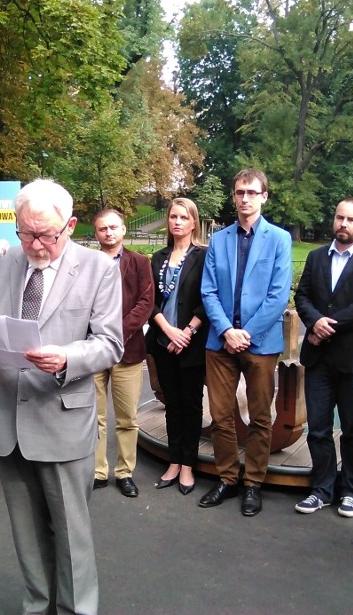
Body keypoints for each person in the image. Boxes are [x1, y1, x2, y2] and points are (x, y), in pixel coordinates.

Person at [0, 179, 123, 615]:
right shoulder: (2, 262)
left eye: (46, 235)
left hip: (61, 418)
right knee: (27, 532)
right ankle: (38, 605)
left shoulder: (98, 268)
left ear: (70, 226)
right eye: (26, 233)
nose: (35, 245)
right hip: (7, 420)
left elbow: (111, 343)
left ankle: (76, 610)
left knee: (71, 533)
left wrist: (68, 358)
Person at [199, 168, 292, 517]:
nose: (245, 199)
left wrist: (246, 333)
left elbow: (278, 295)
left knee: (259, 417)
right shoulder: (219, 240)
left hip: (260, 343)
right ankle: (226, 478)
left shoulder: (279, 239)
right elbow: (207, 290)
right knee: (221, 416)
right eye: (240, 192)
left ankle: (253, 482)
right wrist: (226, 331)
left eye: (252, 192)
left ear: (264, 196)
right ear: (234, 196)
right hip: (219, 342)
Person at [293, 199, 353, 518]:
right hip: (319, 360)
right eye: (340, 217)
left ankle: (352, 490)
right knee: (319, 429)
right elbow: (302, 296)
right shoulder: (315, 257)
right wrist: (313, 321)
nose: (343, 224)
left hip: (352, 360)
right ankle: (322, 489)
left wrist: (328, 324)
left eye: (351, 219)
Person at [145, 198, 208, 495]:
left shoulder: (204, 256)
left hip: (191, 344)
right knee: (172, 404)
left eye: (184, 217)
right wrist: (169, 331)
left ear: (193, 222)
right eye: (173, 216)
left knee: (191, 405)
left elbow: (208, 299)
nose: (177, 222)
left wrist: (186, 332)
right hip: (162, 341)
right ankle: (173, 460)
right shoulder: (157, 258)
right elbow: (150, 302)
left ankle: (188, 465)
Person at [91, 209, 153, 498]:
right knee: (95, 416)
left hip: (128, 349)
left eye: (113, 227)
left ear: (124, 229)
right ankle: (97, 471)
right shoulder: (86, 264)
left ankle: (125, 472)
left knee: (127, 417)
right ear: (96, 233)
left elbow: (146, 302)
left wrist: (117, 332)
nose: (109, 233)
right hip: (91, 350)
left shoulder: (139, 262)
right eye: (102, 229)